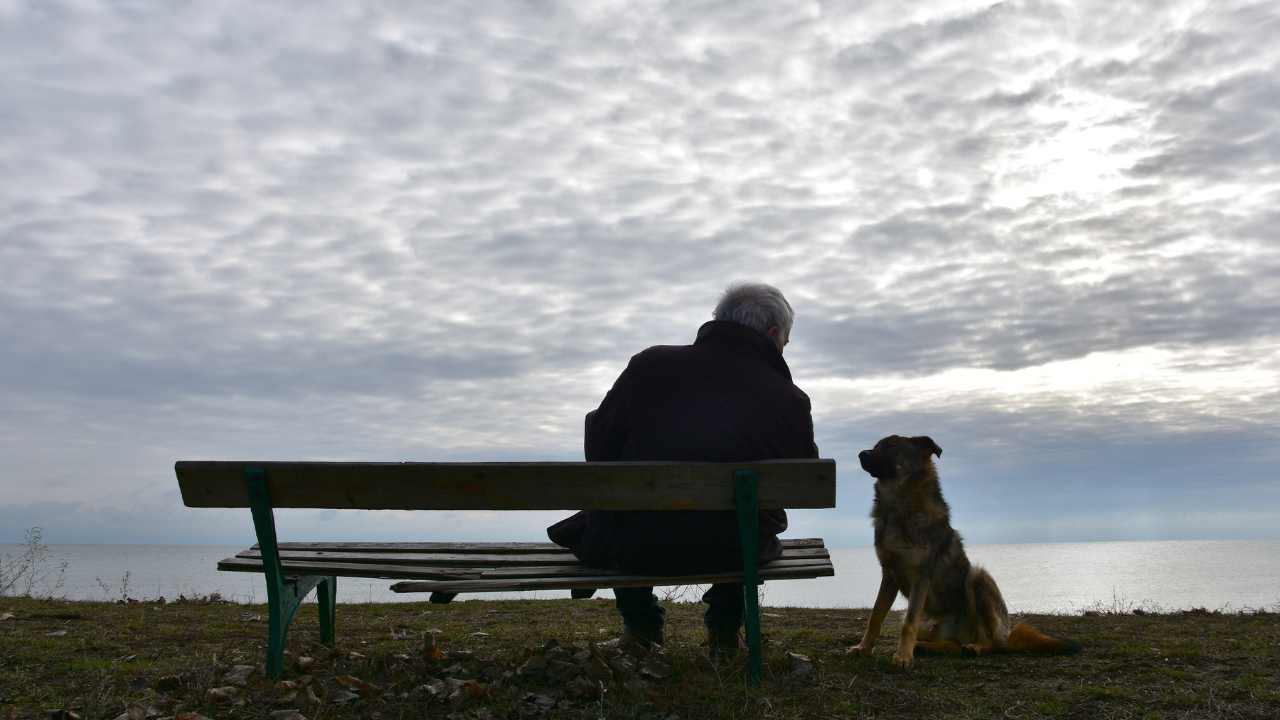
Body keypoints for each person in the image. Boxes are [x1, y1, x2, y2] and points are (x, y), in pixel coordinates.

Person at [547, 282, 819, 655]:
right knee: (749, 516)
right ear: (773, 335)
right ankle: (724, 632)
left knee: (619, 507)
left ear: (718, 321)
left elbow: (600, 452)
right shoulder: (789, 399)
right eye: (785, 343)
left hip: (635, 547)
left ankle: (641, 629)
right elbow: (804, 476)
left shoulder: (650, 365)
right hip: (735, 550)